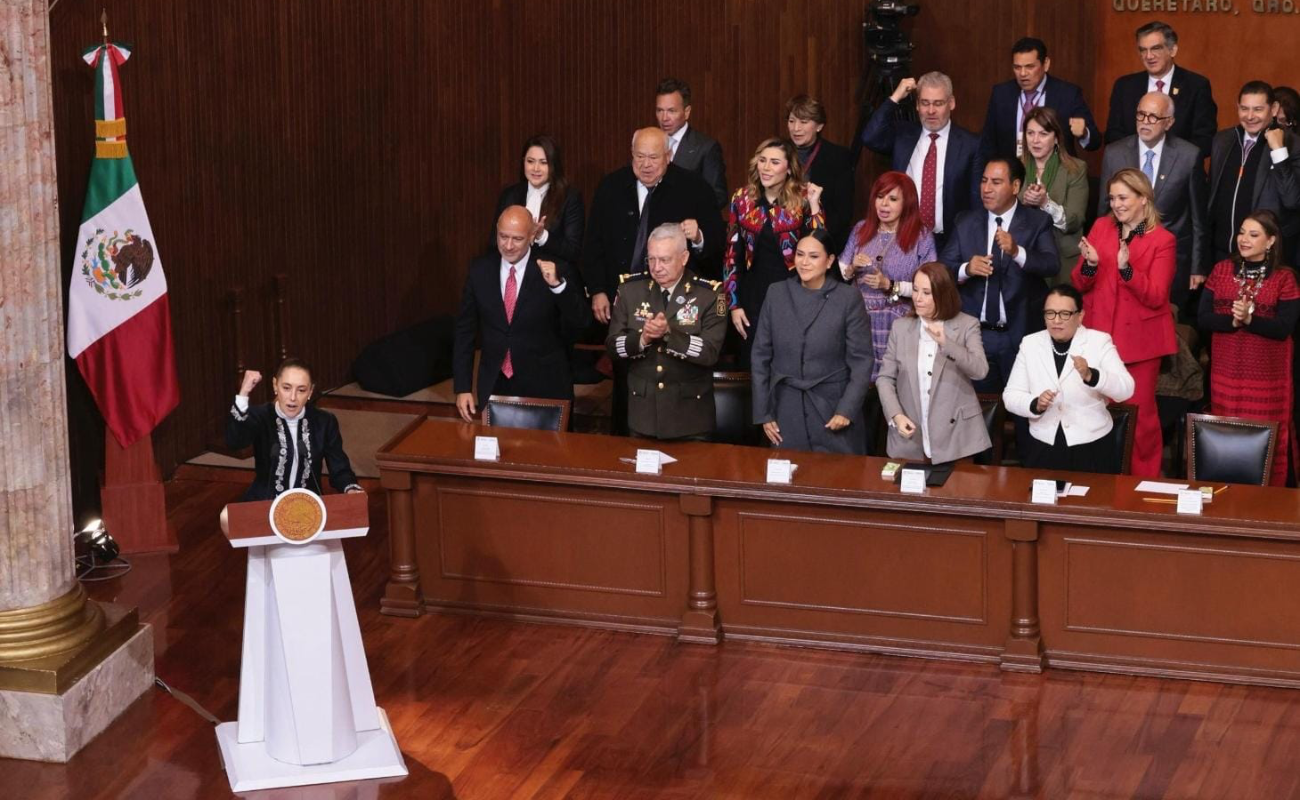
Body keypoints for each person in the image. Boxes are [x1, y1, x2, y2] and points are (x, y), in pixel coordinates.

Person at [1074, 168, 1177, 477]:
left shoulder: (1163, 240)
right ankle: (1100, 480)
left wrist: (1127, 270)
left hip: (1140, 346)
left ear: (1143, 199)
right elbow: (1079, 283)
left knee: (1140, 419)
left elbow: (1157, 296)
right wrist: (1091, 265)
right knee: (1094, 414)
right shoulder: (1101, 226)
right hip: (1098, 340)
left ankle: (1143, 485)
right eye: (1112, 198)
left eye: (1123, 198)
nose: (1116, 205)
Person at [454, 206, 591, 421]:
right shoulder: (479, 269)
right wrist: (462, 387)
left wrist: (557, 286)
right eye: (503, 237)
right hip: (495, 383)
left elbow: (581, 321)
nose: (508, 246)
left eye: (517, 239)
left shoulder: (556, 268)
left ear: (531, 236)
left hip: (546, 385)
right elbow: (465, 331)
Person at [1197, 210, 1300, 486]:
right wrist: (1233, 321)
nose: (1243, 239)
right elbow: (1203, 318)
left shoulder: (1284, 278)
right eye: (1242, 232)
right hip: (1226, 373)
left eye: (1253, 235)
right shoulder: (1221, 270)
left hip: (1267, 378)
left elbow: (1284, 328)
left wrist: (1250, 320)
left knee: (1265, 439)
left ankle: (1268, 503)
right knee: (1227, 437)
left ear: (1270, 241)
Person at [940, 157, 1059, 393]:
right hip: (976, 337)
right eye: (984, 181)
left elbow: (1051, 264)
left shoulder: (1037, 222)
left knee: (1025, 416)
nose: (986, 188)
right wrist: (966, 268)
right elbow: (943, 269)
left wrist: (1017, 252)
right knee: (979, 417)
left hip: (1020, 336)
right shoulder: (966, 221)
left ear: (1015, 187)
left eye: (995, 182)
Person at [583, 127, 724, 326]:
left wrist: (699, 237)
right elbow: (593, 245)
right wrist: (597, 290)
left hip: (676, 303)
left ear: (668, 156)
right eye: (639, 156)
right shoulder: (610, 187)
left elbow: (717, 243)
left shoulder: (694, 188)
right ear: (631, 154)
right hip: (620, 300)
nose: (645, 165)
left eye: (653, 157)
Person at [751, 229, 874, 455]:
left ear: (829, 262)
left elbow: (862, 360)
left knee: (837, 481)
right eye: (800, 254)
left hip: (833, 409)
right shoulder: (776, 293)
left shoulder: (847, 298)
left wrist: (847, 410)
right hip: (786, 409)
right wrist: (763, 412)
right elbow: (760, 356)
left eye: (813, 256)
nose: (804, 262)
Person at [605, 223, 726, 441]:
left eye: (665, 259)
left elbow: (710, 352)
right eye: (651, 259)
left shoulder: (709, 295)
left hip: (690, 418)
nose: (657, 267)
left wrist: (669, 334)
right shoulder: (630, 290)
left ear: (684, 257)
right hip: (643, 416)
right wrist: (642, 339)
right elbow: (613, 347)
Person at [1003, 285, 1136, 474]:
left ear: (1080, 316)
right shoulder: (1030, 343)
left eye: (1064, 314)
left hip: (1091, 444)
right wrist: (1035, 404)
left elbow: (1126, 389)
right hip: (1043, 442)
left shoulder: (1099, 341)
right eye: (1050, 313)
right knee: (1043, 503)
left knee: (1092, 502)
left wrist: (1092, 375)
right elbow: (1010, 395)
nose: (1056, 320)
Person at [1099, 91, 1208, 312]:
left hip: (1171, 259)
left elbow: (1198, 217)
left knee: (1166, 322)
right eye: (1140, 115)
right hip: (1126, 254)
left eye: (1153, 117)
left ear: (1169, 123)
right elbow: (1104, 210)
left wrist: (1197, 267)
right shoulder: (1114, 153)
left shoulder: (1189, 155)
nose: (1145, 122)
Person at [721, 137, 825, 367]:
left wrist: (816, 206)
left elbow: (819, 246)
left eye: (775, 162)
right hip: (753, 297)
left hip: (794, 295)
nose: (766, 167)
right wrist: (734, 305)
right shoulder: (742, 199)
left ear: (789, 168)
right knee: (753, 366)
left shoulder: (804, 198)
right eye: (762, 160)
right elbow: (731, 255)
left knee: (790, 365)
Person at [876, 262, 990, 464]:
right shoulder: (901, 327)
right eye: (916, 290)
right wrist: (896, 415)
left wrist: (947, 343)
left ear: (943, 294)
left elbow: (980, 370)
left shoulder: (967, 325)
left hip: (957, 440)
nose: (918, 298)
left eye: (926, 293)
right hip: (910, 437)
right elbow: (885, 378)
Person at [860, 71, 982, 251]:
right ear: (917, 105)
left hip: (949, 243)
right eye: (925, 103)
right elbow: (870, 137)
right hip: (902, 238)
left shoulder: (971, 145)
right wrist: (895, 97)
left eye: (938, 103)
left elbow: (976, 201)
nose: (931, 111)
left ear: (951, 103)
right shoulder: (903, 135)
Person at [839, 171, 937, 381]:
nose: (884, 205)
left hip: (897, 320)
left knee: (893, 384)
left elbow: (930, 287)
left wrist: (890, 285)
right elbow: (841, 272)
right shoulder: (861, 229)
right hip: (859, 319)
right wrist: (852, 269)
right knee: (857, 382)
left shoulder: (921, 236)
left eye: (892, 199)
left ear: (907, 203)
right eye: (880, 197)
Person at [226, 359, 364, 502]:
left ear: (310, 391)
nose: (292, 397)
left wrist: (350, 488)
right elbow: (235, 442)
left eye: (301, 390)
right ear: (275, 385)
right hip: (265, 501)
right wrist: (243, 394)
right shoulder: (261, 416)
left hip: (307, 505)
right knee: (226, 517)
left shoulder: (324, 422)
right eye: (286, 388)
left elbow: (339, 468)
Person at [1208, 82, 1300, 270]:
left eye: (1258, 109)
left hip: (1267, 260)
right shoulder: (1223, 140)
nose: (1250, 116)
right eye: (1244, 109)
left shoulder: (1292, 144)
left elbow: (1292, 199)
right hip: (1221, 254)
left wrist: (1279, 151)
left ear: (1273, 109)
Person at [1104, 20, 1216, 159]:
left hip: (1179, 173)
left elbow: (1204, 139)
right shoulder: (1124, 86)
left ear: (1172, 50)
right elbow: (1113, 135)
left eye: (1156, 48)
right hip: (1133, 172)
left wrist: (1167, 161)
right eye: (1143, 50)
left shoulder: (1196, 85)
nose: (1149, 56)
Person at [980, 37, 1100, 161]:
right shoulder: (1001, 94)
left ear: (1046, 64)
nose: (1022, 74)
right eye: (1017, 67)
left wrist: (1084, 133)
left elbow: (1095, 143)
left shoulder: (1068, 94)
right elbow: (987, 143)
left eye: (1030, 67)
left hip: (1055, 174)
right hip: (1013, 174)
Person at [1018, 107, 1088, 286]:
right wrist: (1022, 203)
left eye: (1043, 134)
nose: (1035, 140)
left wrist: (1045, 203)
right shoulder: (1017, 168)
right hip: (1023, 255)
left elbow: (1074, 220)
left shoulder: (1075, 169)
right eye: (1030, 133)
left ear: (1056, 137)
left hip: (1061, 258)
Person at [491, 134, 584, 264]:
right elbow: (494, 242)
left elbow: (573, 251)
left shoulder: (570, 198)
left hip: (551, 274)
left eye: (543, 162)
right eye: (530, 161)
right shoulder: (509, 194)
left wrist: (542, 236)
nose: (535, 168)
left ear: (554, 165)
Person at [786, 94, 856, 254]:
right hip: (782, 240)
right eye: (791, 121)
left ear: (819, 126)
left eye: (803, 122)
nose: (796, 128)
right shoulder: (778, 153)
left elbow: (843, 213)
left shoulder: (838, 157)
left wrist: (818, 238)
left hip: (821, 241)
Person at [655, 77, 728, 208]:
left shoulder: (706, 147)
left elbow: (718, 196)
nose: (664, 118)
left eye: (671, 111)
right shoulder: (649, 143)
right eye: (660, 110)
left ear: (687, 112)